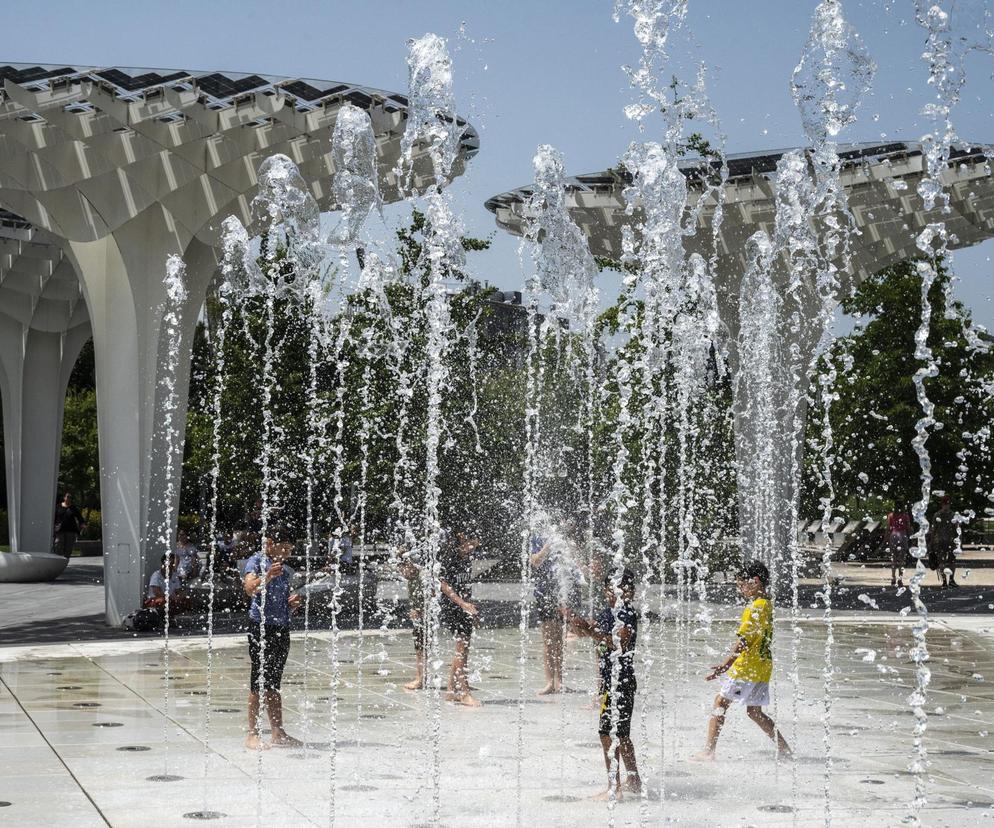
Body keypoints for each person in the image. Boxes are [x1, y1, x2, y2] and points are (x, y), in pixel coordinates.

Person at [692, 560, 791, 762]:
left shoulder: (754, 608)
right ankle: (784, 749)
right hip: (762, 665)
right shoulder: (767, 604)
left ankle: (709, 751)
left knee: (720, 702)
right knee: (754, 711)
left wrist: (724, 666)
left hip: (747, 667)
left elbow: (743, 641)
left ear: (754, 581)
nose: (740, 589)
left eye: (741, 584)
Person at [563, 567, 641, 800]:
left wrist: (590, 631)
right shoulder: (610, 611)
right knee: (622, 734)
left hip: (619, 682)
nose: (610, 593)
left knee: (607, 733)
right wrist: (576, 621)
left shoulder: (625, 612)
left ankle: (613, 788)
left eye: (615, 589)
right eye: (607, 589)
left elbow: (619, 644)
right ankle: (634, 779)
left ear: (628, 591)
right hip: (614, 681)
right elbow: (591, 630)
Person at [242, 527, 302, 750]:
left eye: (290, 550)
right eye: (284, 548)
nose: (287, 553)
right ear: (269, 543)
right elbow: (249, 589)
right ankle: (252, 734)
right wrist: (266, 577)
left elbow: (280, 600)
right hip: (261, 626)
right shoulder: (256, 561)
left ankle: (278, 732)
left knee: (274, 682)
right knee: (258, 681)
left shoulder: (286, 571)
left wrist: (293, 603)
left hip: (281, 627)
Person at [531, 532, 581, 695]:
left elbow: (575, 564)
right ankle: (549, 682)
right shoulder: (537, 537)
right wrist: (546, 548)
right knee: (548, 640)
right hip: (544, 593)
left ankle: (559, 681)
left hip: (562, 592)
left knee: (559, 639)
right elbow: (535, 562)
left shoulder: (565, 539)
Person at [439, 530, 481, 707]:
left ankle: (451, 690)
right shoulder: (450, 556)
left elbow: (464, 584)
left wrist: (470, 605)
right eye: (473, 542)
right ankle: (464, 693)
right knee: (461, 649)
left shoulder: (466, 557)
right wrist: (462, 604)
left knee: (463, 647)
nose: (474, 546)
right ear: (463, 538)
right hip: (453, 606)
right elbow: (443, 584)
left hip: (463, 606)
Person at [396, 547, 426, 691]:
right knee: (420, 646)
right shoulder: (414, 576)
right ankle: (421, 677)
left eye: (402, 570)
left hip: (425, 616)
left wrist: (420, 610)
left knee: (421, 647)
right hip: (421, 616)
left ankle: (420, 679)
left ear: (410, 565)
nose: (402, 574)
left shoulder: (422, 576)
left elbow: (432, 594)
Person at [931, 497, 958, 588]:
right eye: (946, 504)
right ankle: (950, 580)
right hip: (950, 540)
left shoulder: (937, 515)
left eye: (947, 504)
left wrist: (931, 542)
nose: (946, 506)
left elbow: (933, 530)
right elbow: (957, 529)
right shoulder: (953, 515)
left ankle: (945, 582)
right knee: (951, 561)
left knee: (942, 561)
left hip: (940, 541)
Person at [53, 492, 85, 558]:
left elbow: (79, 517)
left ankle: (65, 562)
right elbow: (54, 517)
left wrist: (82, 524)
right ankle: (57, 561)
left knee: (68, 548)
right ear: (64, 498)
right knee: (58, 545)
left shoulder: (73, 508)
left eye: (70, 497)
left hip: (71, 531)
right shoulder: (58, 506)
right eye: (67, 497)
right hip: (60, 530)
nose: (69, 498)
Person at [887, 504, 912, 587]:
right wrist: (911, 537)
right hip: (902, 536)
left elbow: (888, 528)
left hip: (893, 536)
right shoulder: (905, 516)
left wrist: (886, 538)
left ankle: (893, 578)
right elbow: (908, 528)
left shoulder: (890, 516)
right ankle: (900, 580)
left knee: (893, 558)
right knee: (901, 560)